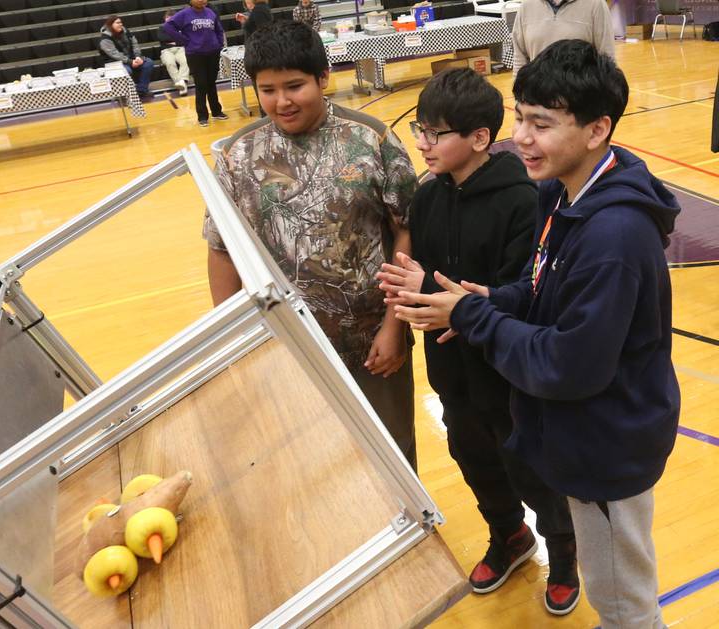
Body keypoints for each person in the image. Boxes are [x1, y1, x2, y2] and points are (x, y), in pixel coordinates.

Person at [394, 40, 680, 629]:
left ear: (598, 129)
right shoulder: (564, 193)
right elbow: (544, 289)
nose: (520, 136)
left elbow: (566, 364)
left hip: (608, 444)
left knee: (624, 604)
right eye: (520, 117)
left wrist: (472, 318)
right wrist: (491, 299)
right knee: (614, 591)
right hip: (581, 433)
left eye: (541, 123)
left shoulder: (614, 236)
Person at [376, 68, 579, 615]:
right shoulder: (429, 198)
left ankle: (563, 553)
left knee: (529, 465)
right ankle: (509, 534)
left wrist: (442, 296)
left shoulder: (524, 200)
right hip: (452, 367)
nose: (422, 143)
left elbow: (519, 290)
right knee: (471, 453)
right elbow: (429, 275)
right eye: (419, 129)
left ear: (480, 138)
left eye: (435, 133)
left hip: (506, 369)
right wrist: (411, 291)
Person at [202, 20, 419, 469]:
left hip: (373, 343)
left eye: (295, 86)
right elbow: (222, 247)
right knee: (309, 463)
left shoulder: (371, 139)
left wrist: (395, 325)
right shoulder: (237, 155)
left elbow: (407, 229)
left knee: (390, 456)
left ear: (323, 78)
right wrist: (237, 339)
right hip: (287, 347)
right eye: (268, 89)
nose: (281, 102)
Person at [163, 0, 229, 127]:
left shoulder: (210, 12)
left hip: (212, 53)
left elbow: (219, 30)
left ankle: (216, 111)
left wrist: (219, 43)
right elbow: (168, 27)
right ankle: (202, 116)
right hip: (195, 55)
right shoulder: (184, 14)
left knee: (211, 83)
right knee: (201, 84)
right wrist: (183, 41)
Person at [512, 0, 614, 75]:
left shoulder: (596, 4)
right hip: (538, 97)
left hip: (580, 97)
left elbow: (607, 59)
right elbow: (519, 58)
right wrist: (520, 97)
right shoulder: (527, 5)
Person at [98, 15, 154, 98]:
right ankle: (125, 94)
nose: (120, 24)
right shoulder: (105, 39)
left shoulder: (125, 31)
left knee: (148, 63)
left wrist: (137, 56)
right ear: (111, 25)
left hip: (131, 58)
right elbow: (114, 54)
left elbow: (134, 43)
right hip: (114, 62)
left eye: (121, 22)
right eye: (117, 23)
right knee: (126, 71)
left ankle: (141, 90)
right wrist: (130, 62)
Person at [158, 9, 190, 96]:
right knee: (170, 63)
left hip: (180, 49)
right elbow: (162, 38)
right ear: (164, 18)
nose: (169, 19)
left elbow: (185, 39)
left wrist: (175, 41)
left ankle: (182, 83)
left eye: (171, 18)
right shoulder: (161, 28)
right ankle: (181, 83)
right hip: (166, 51)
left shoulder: (181, 27)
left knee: (186, 61)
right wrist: (176, 39)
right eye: (167, 17)